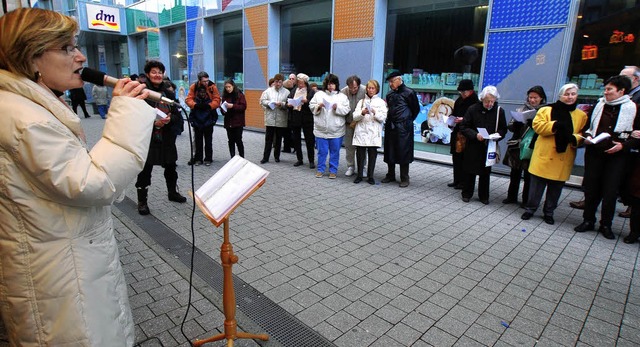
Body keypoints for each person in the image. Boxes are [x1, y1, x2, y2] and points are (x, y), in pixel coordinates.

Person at [0, 8, 156, 345]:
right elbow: (92, 182)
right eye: (68, 48)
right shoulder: (26, 119)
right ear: (32, 56)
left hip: (61, 266)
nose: (81, 56)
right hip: (62, 277)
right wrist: (128, 112)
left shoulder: (25, 106)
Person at [574, 75, 640, 239]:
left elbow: (637, 136)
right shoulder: (599, 105)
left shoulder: (633, 108)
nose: (606, 92)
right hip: (595, 153)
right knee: (591, 189)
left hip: (617, 157)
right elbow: (588, 127)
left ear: (621, 91)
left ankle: (606, 225)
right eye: (605, 89)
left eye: (609, 89)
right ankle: (588, 220)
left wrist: (623, 146)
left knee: (610, 192)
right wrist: (588, 136)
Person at [520, 84, 587, 224]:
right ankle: (530, 209)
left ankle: (549, 212)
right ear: (560, 96)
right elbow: (537, 126)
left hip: (563, 156)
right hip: (544, 155)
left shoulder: (581, 115)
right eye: (567, 94)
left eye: (573, 94)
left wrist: (575, 138)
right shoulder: (546, 110)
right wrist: (554, 125)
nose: (570, 97)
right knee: (536, 187)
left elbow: (583, 134)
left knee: (555, 189)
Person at [135, 60, 187, 215]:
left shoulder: (169, 93)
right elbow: (134, 117)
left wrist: (171, 120)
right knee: (145, 171)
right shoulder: (141, 92)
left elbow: (178, 115)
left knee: (171, 167)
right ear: (148, 74)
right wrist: (155, 123)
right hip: (148, 139)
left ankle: (172, 192)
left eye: (160, 72)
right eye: (154, 72)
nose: (157, 75)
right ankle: (142, 202)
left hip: (167, 138)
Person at [459, 86, 507, 204]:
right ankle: (467, 193)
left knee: (485, 173)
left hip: (488, 145)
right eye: (487, 101)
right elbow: (464, 126)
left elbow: (503, 129)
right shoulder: (473, 109)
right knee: (470, 170)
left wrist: (497, 136)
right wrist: (475, 135)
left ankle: (484, 196)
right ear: (482, 99)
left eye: (492, 101)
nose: (490, 104)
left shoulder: (499, 111)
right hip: (473, 144)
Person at [502, 86, 547, 205]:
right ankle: (511, 197)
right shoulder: (522, 109)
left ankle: (526, 200)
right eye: (530, 97)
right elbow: (510, 127)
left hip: (533, 146)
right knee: (515, 173)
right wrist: (516, 124)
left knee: (529, 175)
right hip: (518, 145)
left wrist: (534, 125)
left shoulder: (544, 111)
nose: (532, 100)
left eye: (535, 98)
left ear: (541, 98)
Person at [383, 71, 420, 187]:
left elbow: (415, 109)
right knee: (390, 150)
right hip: (391, 125)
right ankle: (390, 174)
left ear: (399, 80)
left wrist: (407, 120)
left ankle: (404, 177)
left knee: (403, 151)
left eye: (392, 81)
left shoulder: (409, 93)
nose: (390, 84)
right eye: (389, 82)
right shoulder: (389, 95)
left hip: (403, 126)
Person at [309, 73, 350, 179]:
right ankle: (320, 169)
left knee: (335, 152)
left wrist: (337, 107)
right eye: (328, 84)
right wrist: (319, 106)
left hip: (336, 130)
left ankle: (333, 171)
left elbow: (346, 110)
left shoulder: (342, 96)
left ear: (336, 85)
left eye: (332, 84)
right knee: (321, 152)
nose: (330, 86)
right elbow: (311, 106)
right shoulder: (319, 95)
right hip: (321, 130)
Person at [352, 79, 388, 184]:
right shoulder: (361, 101)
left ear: (376, 89)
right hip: (361, 131)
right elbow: (354, 117)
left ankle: (370, 176)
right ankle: (359, 175)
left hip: (373, 132)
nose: (370, 90)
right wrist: (362, 112)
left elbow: (383, 118)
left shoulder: (381, 102)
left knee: (372, 155)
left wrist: (374, 112)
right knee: (360, 155)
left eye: (373, 88)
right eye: (369, 88)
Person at [185, 71, 221, 165]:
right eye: (204, 81)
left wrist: (209, 106)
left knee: (208, 141)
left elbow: (217, 99)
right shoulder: (194, 87)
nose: (206, 83)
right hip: (197, 117)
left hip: (208, 116)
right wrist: (195, 105)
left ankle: (208, 158)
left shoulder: (212, 87)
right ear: (199, 81)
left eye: (207, 80)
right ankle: (198, 158)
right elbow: (188, 99)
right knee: (198, 141)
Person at [448, 79, 477, 189]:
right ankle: (457, 180)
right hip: (457, 131)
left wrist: (463, 119)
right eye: (461, 92)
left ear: (470, 91)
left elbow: (475, 118)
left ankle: (464, 182)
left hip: (467, 134)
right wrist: (451, 120)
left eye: (464, 92)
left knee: (465, 158)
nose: (462, 94)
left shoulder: (475, 101)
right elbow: (454, 113)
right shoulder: (459, 100)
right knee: (456, 157)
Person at [287, 73, 316, 168]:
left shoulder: (311, 91)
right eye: (299, 83)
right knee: (296, 139)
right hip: (296, 116)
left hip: (307, 118)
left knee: (309, 140)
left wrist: (306, 102)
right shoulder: (294, 90)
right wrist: (290, 104)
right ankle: (299, 159)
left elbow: (313, 104)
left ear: (306, 83)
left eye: (302, 83)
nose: (300, 85)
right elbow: (289, 99)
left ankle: (311, 160)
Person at [260, 73, 290, 164]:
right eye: (276, 82)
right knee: (268, 139)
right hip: (270, 118)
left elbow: (289, 104)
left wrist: (282, 104)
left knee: (278, 139)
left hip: (281, 118)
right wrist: (269, 103)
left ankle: (277, 156)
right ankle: (265, 157)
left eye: (280, 82)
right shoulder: (268, 91)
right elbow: (262, 101)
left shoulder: (286, 92)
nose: (278, 84)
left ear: (282, 83)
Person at [340, 75, 366, 177]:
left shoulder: (364, 90)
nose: (353, 90)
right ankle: (350, 166)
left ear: (358, 85)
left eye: (355, 88)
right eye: (350, 88)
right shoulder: (343, 91)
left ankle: (362, 167)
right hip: (348, 123)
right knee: (349, 146)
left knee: (362, 147)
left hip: (361, 123)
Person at [221, 78, 247, 158]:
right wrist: (223, 111)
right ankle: (232, 157)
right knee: (231, 140)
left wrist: (233, 106)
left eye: (229, 87)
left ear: (233, 86)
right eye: (226, 87)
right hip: (228, 121)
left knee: (238, 140)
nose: (228, 89)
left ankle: (242, 157)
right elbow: (222, 108)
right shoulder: (225, 96)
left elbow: (243, 107)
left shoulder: (240, 95)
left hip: (238, 121)